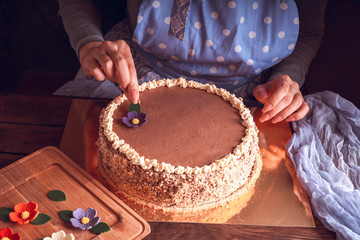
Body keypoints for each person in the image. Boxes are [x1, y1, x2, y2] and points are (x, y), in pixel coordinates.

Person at [55, 0, 327, 123]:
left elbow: (308, 32)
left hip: (250, 96)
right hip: (134, 77)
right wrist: (88, 43)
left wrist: (289, 76)